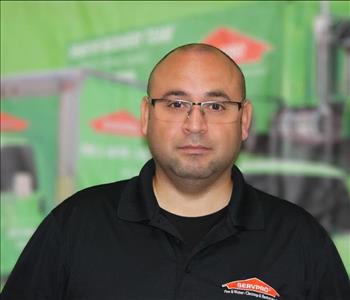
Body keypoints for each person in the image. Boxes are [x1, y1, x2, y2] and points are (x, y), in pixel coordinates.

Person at [2, 43, 349, 300]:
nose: (194, 125)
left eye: (215, 105)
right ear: (145, 115)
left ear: (244, 120)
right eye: (176, 104)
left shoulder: (300, 240)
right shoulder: (75, 225)